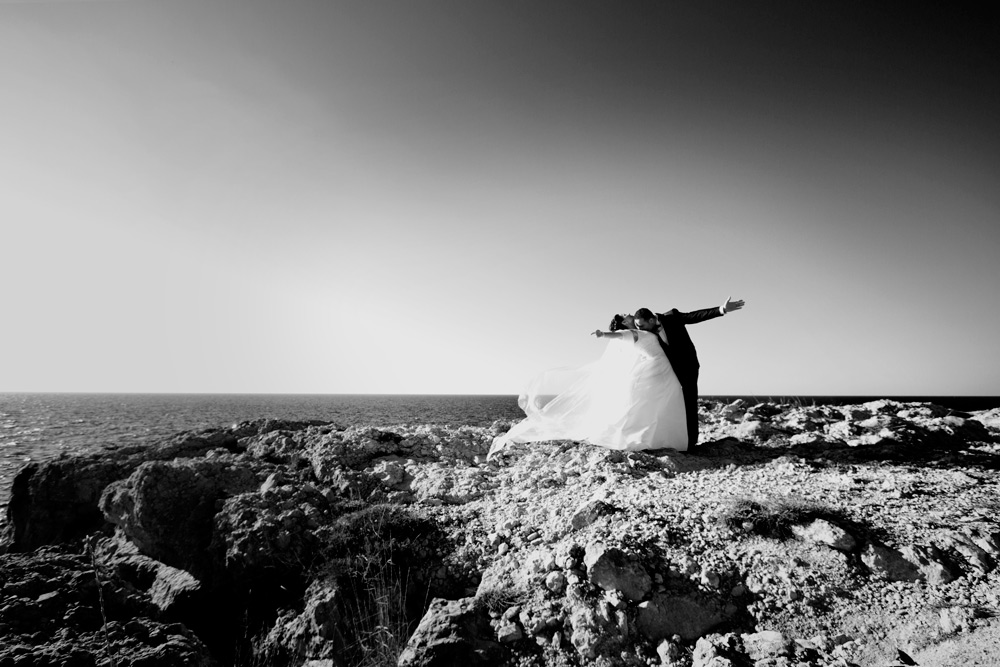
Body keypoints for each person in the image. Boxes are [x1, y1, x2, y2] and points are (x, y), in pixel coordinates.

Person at [487, 313, 688, 460]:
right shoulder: (633, 333)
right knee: (653, 401)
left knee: (656, 401)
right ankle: (647, 437)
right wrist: (604, 334)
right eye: (627, 318)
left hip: (657, 367)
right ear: (626, 324)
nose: (629, 317)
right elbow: (620, 336)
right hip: (656, 368)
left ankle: (657, 437)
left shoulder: (644, 332)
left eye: (632, 317)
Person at [632, 296, 745, 447]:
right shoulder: (647, 332)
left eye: (641, 326)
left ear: (652, 320)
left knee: (689, 404)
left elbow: (694, 316)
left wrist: (721, 309)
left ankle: (690, 443)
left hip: (688, 367)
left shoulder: (672, 317)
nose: (640, 330)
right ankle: (669, 440)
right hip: (667, 372)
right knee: (668, 404)